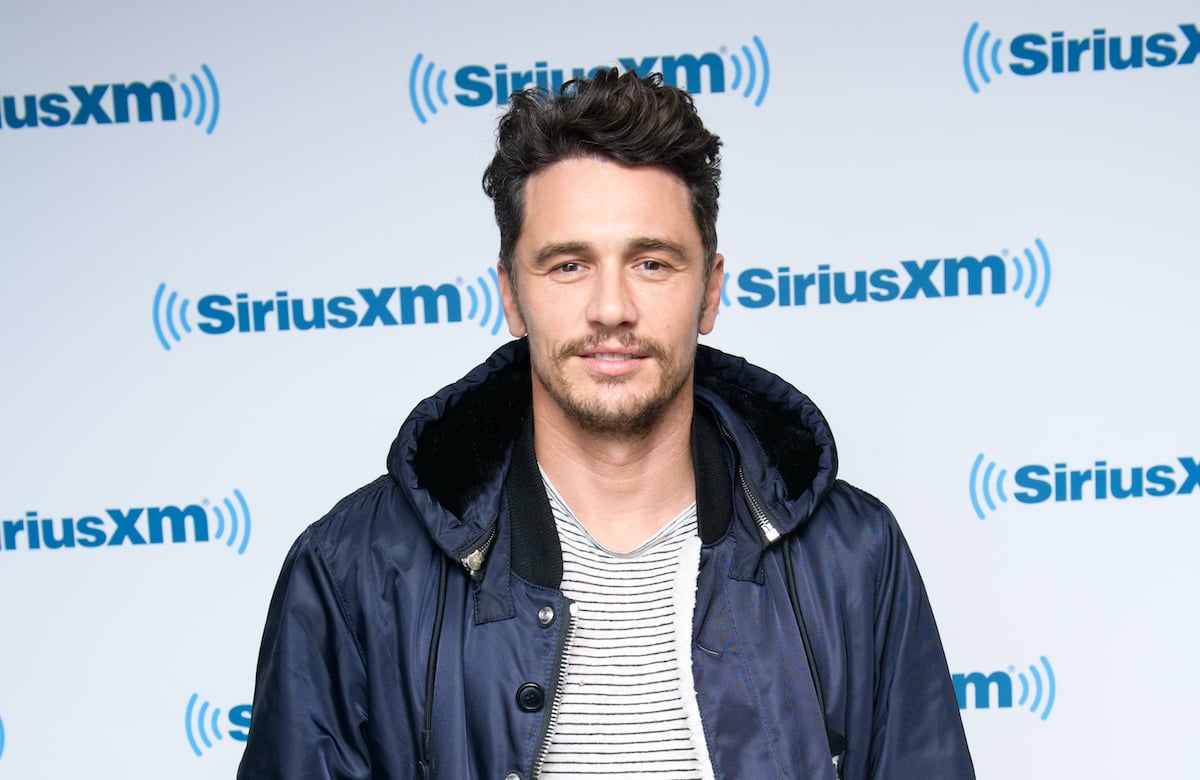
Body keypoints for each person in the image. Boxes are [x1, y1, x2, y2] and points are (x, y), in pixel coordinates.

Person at [238, 69, 974, 780]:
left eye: (651, 263)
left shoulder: (853, 558)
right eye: (568, 265)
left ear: (710, 291)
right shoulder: (354, 568)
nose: (611, 308)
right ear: (512, 294)